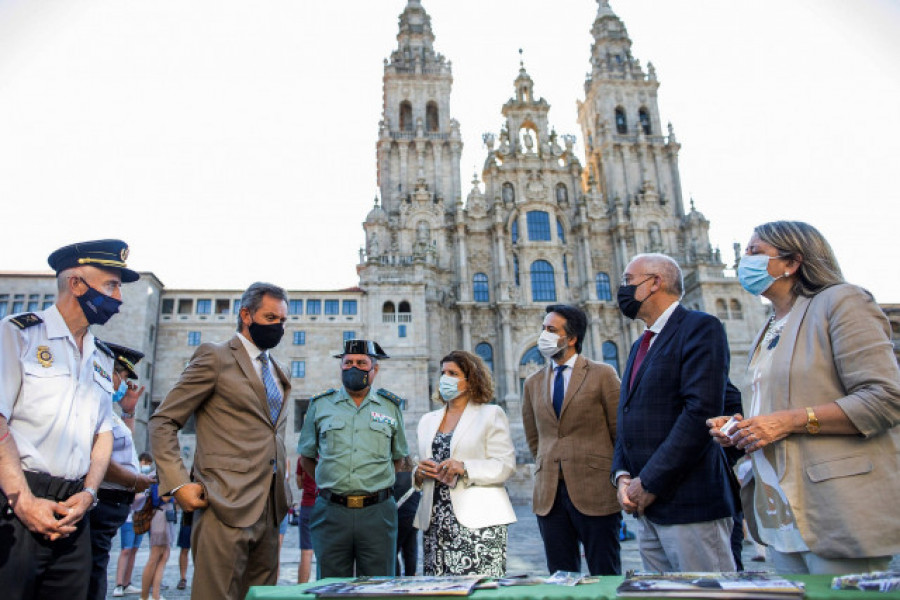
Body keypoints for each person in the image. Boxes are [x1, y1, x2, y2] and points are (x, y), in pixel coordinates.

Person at [708, 221, 900, 574]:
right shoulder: (769, 327)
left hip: (835, 507)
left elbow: (885, 398)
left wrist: (787, 422)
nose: (743, 262)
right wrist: (742, 427)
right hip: (780, 508)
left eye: (754, 253)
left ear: (791, 262)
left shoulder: (842, 301)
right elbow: (779, 408)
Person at [0, 239, 139, 600]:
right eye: (111, 284)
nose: (119, 297)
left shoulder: (101, 356)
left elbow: (102, 434)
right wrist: (24, 501)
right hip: (16, 499)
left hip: (74, 507)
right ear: (77, 284)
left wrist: (90, 492)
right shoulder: (18, 333)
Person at [149, 282, 293, 600]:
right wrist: (176, 482)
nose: (279, 327)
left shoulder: (279, 370)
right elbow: (163, 421)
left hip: (269, 510)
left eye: (283, 321)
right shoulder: (214, 357)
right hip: (224, 504)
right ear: (246, 314)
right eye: (271, 318)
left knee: (261, 595)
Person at [612, 253, 737, 572]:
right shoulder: (640, 344)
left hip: (689, 504)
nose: (622, 289)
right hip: (647, 508)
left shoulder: (700, 328)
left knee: (706, 594)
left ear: (655, 282)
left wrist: (649, 482)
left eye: (628, 281)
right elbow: (627, 416)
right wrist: (623, 476)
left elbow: (699, 415)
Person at [521, 304, 622, 575]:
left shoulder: (603, 374)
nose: (544, 335)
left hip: (596, 490)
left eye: (551, 330)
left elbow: (618, 431)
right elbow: (534, 437)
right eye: (543, 329)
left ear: (572, 338)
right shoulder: (532, 383)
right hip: (550, 495)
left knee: (605, 572)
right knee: (560, 574)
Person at [298, 339, 408, 578]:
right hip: (332, 512)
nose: (353, 367)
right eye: (348, 362)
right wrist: (332, 481)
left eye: (361, 362)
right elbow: (306, 457)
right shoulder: (320, 405)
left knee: (379, 586)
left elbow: (398, 458)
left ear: (374, 369)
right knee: (331, 585)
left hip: (377, 513)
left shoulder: (391, 407)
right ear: (341, 366)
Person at [414, 350, 516, 577]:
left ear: (471, 380)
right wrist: (419, 473)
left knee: (478, 588)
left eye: (453, 373)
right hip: (436, 520)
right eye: (443, 373)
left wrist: (465, 467)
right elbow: (420, 463)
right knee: (439, 590)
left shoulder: (491, 414)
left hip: (479, 521)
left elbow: (505, 465)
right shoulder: (427, 421)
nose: (445, 378)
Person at [88, 342, 154, 600]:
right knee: (91, 575)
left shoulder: (110, 410)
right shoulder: (93, 401)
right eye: (123, 377)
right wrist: (136, 480)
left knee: (96, 569)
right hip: (101, 501)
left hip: (113, 506)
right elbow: (98, 457)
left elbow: (123, 445)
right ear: (109, 372)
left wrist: (128, 410)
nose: (124, 384)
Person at [113, 453, 154, 597]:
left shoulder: (146, 479)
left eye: (148, 462)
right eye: (144, 462)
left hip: (140, 517)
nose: (146, 465)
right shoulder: (134, 476)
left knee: (134, 550)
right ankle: (118, 584)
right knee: (126, 550)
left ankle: (127, 582)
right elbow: (134, 497)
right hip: (129, 518)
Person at [141, 457, 174, 600]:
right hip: (161, 515)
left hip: (163, 515)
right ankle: (145, 596)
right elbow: (165, 497)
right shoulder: (162, 475)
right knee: (155, 557)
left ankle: (155, 595)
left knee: (163, 556)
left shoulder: (161, 474)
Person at [393, 456, 421, 576]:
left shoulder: (394, 478)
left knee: (394, 551)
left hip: (400, 518)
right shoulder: (414, 477)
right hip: (414, 518)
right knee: (410, 549)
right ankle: (411, 575)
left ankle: (396, 577)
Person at [295, 465, 317, 583]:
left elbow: (299, 484)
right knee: (327, 554)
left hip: (308, 505)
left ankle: (300, 590)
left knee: (306, 552)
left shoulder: (303, 458)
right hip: (325, 505)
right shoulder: (328, 454)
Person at [176, 509, 193, 590]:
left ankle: (200, 577)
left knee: (201, 550)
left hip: (203, 517)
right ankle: (183, 578)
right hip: (187, 516)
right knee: (184, 549)